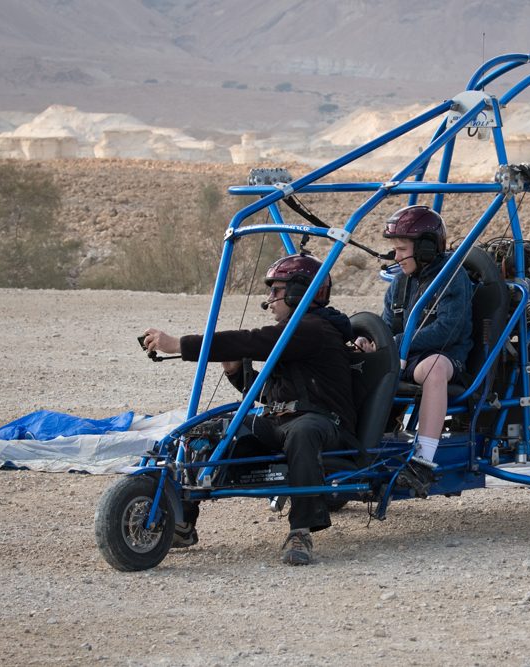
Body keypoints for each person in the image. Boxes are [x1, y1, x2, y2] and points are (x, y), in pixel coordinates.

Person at [142, 253, 356, 566]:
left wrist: (179, 345)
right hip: (281, 421)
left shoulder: (313, 329)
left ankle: (301, 531)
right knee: (210, 431)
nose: (269, 299)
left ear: (299, 291)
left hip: (324, 425)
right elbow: (271, 393)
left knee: (303, 432)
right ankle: (183, 523)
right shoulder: (294, 332)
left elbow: (252, 341)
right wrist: (235, 372)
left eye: (276, 291)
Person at [356, 204, 473, 487]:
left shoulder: (452, 278)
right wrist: (370, 341)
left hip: (444, 357)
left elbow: (448, 329)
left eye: (401, 250)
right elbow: (388, 325)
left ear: (425, 249)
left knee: (433, 369)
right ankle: (353, 447)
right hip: (406, 357)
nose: (395, 257)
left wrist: (395, 343)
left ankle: (423, 460)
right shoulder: (400, 283)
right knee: (357, 360)